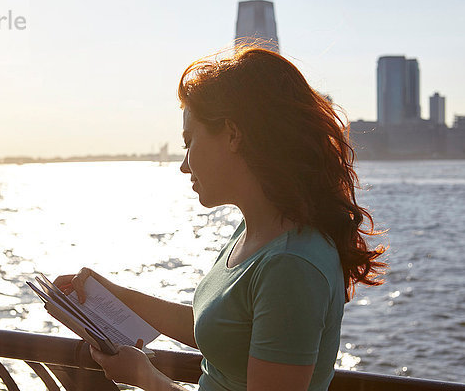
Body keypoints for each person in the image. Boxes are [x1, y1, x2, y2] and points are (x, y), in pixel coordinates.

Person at [54, 45, 386, 391]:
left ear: (232, 134)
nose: (184, 164)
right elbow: (223, 328)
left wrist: (145, 378)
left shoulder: (291, 265)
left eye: (189, 140)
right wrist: (111, 293)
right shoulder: (256, 231)